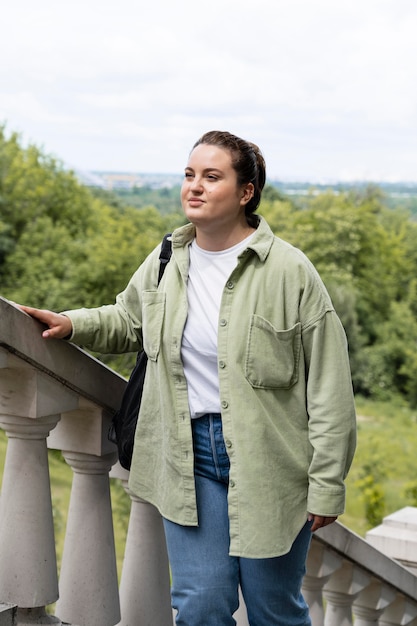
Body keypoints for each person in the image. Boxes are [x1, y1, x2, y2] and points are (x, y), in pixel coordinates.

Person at [19, 130, 356, 626]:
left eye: (212, 177)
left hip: (272, 462)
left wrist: (327, 482)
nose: (194, 187)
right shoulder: (168, 260)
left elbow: (329, 387)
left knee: (273, 608)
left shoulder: (291, 271)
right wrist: (73, 323)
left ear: (246, 192)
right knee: (201, 604)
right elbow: (129, 319)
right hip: (187, 454)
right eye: (189, 175)